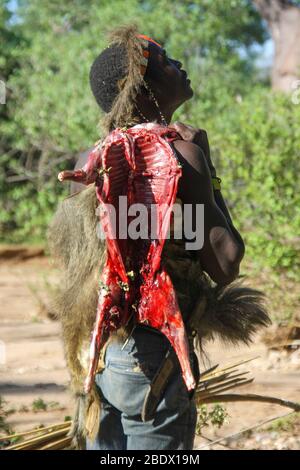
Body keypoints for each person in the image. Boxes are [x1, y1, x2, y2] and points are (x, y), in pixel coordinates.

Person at [48, 25, 269, 451]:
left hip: (102, 357)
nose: (178, 64)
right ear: (140, 87)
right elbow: (225, 264)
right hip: (156, 357)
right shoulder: (181, 155)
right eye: (166, 61)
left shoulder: (88, 161)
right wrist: (208, 174)